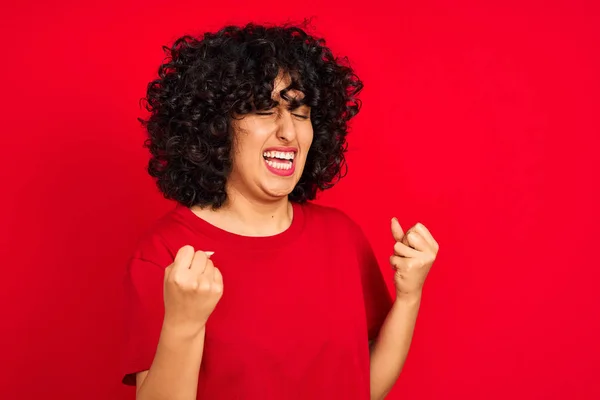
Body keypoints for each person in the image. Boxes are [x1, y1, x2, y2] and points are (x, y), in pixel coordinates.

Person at [121, 21, 439, 400]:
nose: (288, 131)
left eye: (300, 112)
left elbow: (362, 388)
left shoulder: (342, 236)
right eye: (263, 110)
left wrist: (409, 296)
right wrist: (183, 324)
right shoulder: (165, 253)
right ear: (215, 128)